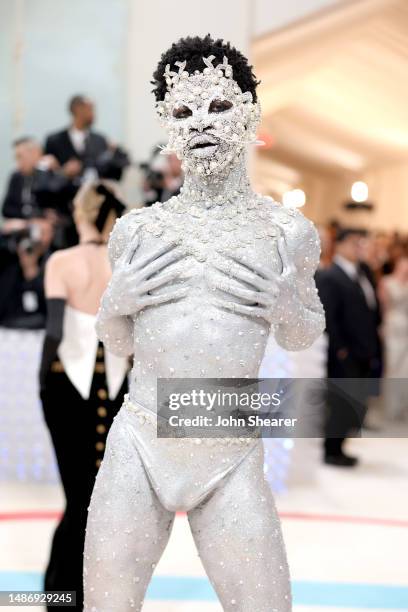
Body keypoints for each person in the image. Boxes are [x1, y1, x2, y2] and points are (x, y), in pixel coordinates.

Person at [83, 35, 325, 611]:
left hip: (231, 447)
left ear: (249, 113)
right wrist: (113, 305)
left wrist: (285, 303)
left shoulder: (287, 232)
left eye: (217, 107)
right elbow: (118, 341)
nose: (201, 125)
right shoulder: (138, 231)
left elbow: (300, 333)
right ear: (167, 123)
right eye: (184, 112)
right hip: (140, 437)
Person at [39, 181, 129, 611]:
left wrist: (41, 384)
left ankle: (60, 596)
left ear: (81, 214)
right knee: (94, 498)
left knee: (77, 498)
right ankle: (88, 593)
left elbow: (54, 331)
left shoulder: (62, 261)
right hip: (114, 387)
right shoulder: (124, 263)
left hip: (65, 385)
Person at [316, 228, 381, 467]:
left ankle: (340, 445)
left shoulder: (362, 273)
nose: (359, 248)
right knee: (340, 401)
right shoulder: (330, 276)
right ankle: (331, 449)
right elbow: (329, 318)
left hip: (364, 348)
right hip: (344, 352)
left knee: (355, 401)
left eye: (361, 243)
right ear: (340, 245)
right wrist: (340, 349)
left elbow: (370, 310)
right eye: (354, 243)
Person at [44, 95, 129, 185]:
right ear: (77, 110)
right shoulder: (54, 141)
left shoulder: (100, 140)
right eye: (90, 109)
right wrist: (63, 172)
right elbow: (46, 177)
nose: (93, 114)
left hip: (93, 195)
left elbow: (108, 171)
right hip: (64, 196)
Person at [379, 254, 408, 421]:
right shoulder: (387, 282)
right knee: (392, 367)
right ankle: (391, 405)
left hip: (406, 329)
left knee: (405, 369)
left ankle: (403, 405)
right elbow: (383, 307)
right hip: (393, 326)